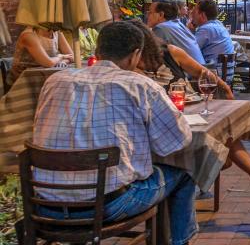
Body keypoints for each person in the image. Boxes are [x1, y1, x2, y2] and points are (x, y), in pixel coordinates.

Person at [32, 22, 197, 245]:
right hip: (108, 205)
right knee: (184, 172)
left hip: (44, 203)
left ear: (98, 51)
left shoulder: (54, 81)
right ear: (135, 55)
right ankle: (179, 242)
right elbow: (176, 141)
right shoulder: (141, 85)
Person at [129, 20, 250, 202]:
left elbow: (204, 73)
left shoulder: (171, 53)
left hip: (190, 108)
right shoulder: (127, 68)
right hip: (159, 121)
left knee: (225, 130)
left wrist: (224, 87)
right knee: (219, 140)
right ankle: (229, 168)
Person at [7, 26, 73, 86]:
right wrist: (61, 57)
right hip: (25, 82)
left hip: (47, 76)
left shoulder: (56, 32)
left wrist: (63, 62)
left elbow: (72, 56)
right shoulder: (28, 35)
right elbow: (49, 63)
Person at [148, 0, 205, 65]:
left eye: (150, 12)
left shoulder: (161, 28)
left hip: (188, 74)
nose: (147, 15)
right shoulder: (178, 24)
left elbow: (150, 58)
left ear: (161, 15)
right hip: (201, 70)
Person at [191, 0, 235, 68]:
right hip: (226, 73)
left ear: (202, 15)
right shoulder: (218, 24)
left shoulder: (206, 29)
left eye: (194, 12)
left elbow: (189, 49)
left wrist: (188, 31)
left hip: (214, 74)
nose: (192, 14)